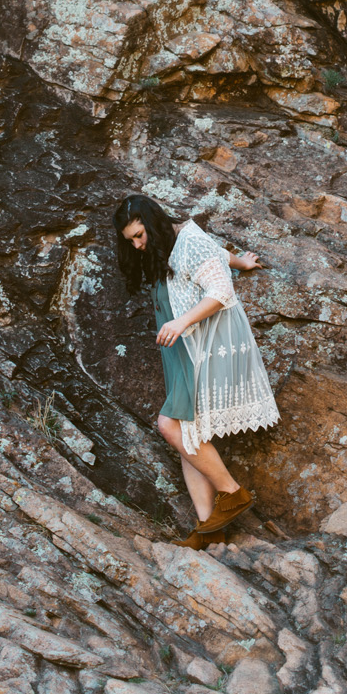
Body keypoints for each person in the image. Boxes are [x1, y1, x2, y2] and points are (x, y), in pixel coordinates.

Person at [114, 195, 279, 546]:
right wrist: (240, 261)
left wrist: (181, 321)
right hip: (181, 350)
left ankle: (232, 492)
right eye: (131, 240)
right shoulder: (174, 242)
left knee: (169, 425)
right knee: (189, 436)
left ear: (154, 223)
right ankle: (209, 529)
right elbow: (218, 258)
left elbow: (220, 290)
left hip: (202, 345)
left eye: (140, 235)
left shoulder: (189, 239)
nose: (138, 244)